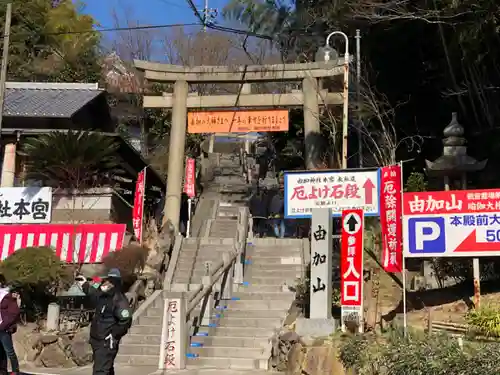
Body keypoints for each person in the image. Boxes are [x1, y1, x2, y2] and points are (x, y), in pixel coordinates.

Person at [83, 269, 132, 375]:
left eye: (110, 281)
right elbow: (91, 291)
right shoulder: (102, 294)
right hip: (96, 339)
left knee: (100, 371)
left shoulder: (119, 298)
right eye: (107, 280)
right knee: (106, 369)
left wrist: (113, 334)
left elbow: (126, 319)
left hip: (106, 341)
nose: (107, 283)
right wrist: (93, 280)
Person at [0, 275, 20, 375]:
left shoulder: (8, 296)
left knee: (9, 351)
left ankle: (15, 371)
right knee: (1, 351)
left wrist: (4, 325)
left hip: (4, 328)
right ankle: (2, 370)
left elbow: (14, 313)